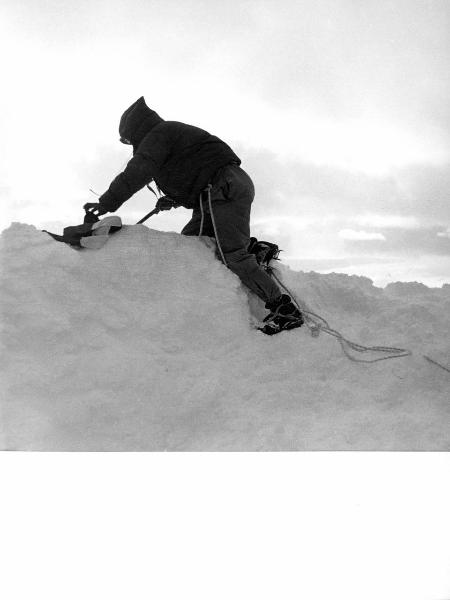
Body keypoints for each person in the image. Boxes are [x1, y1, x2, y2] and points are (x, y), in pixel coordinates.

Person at [84, 97, 303, 334]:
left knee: (233, 255)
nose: (130, 144)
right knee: (192, 244)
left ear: (136, 130)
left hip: (222, 187)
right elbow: (193, 168)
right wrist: (173, 199)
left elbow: (139, 170)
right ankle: (252, 253)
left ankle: (284, 309)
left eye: (128, 139)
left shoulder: (159, 134)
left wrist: (107, 202)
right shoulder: (168, 134)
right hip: (217, 190)